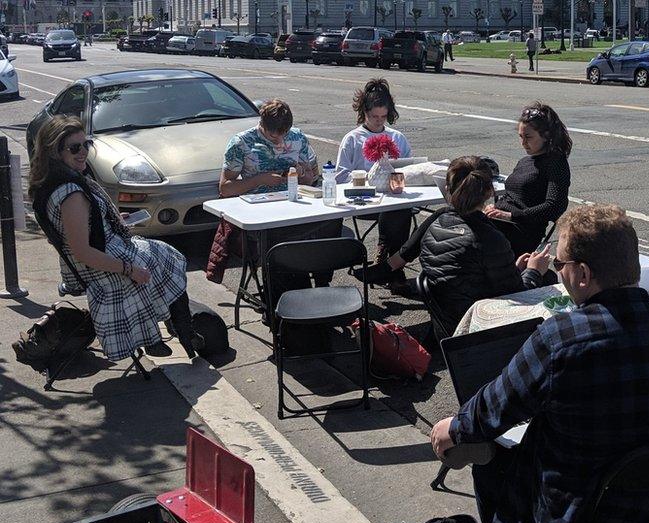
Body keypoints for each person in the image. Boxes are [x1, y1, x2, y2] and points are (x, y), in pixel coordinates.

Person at [430, 204, 649, 523]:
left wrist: (453, 427)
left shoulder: (560, 340)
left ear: (582, 274)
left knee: (487, 449)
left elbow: (493, 409)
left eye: (558, 265)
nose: (557, 272)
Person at [29, 115, 203, 361]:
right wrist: (129, 270)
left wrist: (111, 218)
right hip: (98, 263)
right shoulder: (70, 192)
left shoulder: (55, 180)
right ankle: (181, 332)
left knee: (164, 255)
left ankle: (173, 331)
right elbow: (83, 252)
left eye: (86, 144)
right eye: (74, 148)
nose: (83, 152)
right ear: (54, 152)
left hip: (101, 250)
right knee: (168, 259)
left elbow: (75, 228)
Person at [219, 98, 341, 311]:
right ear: (262, 125)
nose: (280, 140)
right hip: (260, 214)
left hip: (294, 206)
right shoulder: (241, 143)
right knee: (283, 239)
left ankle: (321, 283)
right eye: (274, 135)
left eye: (284, 134)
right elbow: (225, 188)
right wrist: (259, 180)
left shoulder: (297, 137)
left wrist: (302, 173)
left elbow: (312, 177)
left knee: (331, 221)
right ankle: (288, 296)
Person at [417, 156, 550, 332]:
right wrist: (534, 270)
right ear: (489, 192)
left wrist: (514, 269)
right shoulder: (488, 238)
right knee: (549, 280)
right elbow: (517, 294)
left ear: (447, 188)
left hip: (446, 320)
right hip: (478, 327)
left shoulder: (434, 227)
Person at [335, 79, 415, 292]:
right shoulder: (352, 139)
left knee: (400, 209)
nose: (379, 122)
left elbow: (408, 169)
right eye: (374, 117)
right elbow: (340, 175)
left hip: (392, 196)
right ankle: (392, 264)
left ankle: (389, 260)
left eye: (383, 117)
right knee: (396, 211)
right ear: (364, 113)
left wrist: (398, 177)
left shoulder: (397, 137)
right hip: (364, 199)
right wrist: (363, 176)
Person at [485, 102, 572, 257]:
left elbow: (555, 206)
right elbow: (511, 195)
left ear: (546, 136)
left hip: (521, 228)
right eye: (520, 137)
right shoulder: (525, 161)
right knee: (451, 221)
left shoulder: (555, 163)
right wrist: (493, 209)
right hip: (502, 221)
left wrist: (512, 215)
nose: (523, 143)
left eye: (528, 137)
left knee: (470, 240)